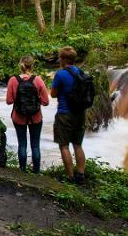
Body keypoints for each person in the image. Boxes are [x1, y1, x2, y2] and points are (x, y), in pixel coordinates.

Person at [6, 56, 49, 173]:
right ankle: (36, 171)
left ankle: (22, 170)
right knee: (35, 145)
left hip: (18, 117)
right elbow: (46, 102)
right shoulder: (38, 80)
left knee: (22, 144)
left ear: (20, 65)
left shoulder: (13, 80)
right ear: (32, 65)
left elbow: (9, 101)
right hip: (36, 118)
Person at [51, 46, 86, 184]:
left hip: (64, 113)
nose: (59, 59)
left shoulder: (60, 74)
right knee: (78, 144)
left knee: (64, 146)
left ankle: (71, 177)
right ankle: (81, 175)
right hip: (80, 113)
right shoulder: (81, 72)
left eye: (60, 57)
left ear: (64, 59)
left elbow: (53, 94)